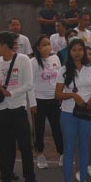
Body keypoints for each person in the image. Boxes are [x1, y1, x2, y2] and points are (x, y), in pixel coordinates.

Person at [0, 32, 42, 182]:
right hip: (0, 111)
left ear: (4, 45)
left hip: (18, 109)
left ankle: (30, 179)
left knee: (25, 146)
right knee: (4, 147)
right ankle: (6, 180)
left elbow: (28, 84)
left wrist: (11, 92)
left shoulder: (23, 60)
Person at [56, 38, 91, 182]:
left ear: (84, 51)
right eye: (74, 50)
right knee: (69, 148)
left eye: (80, 50)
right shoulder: (63, 70)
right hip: (68, 114)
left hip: (87, 113)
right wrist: (72, 96)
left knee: (84, 146)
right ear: (69, 52)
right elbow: (58, 94)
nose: (77, 53)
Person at [31, 35, 64, 170]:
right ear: (38, 48)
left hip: (54, 99)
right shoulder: (33, 62)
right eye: (44, 45)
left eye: (48, 44)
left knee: (58, 127)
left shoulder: (55, 58)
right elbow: (30, 83)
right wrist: (32, 102)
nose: (47, 47)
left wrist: (61, 95)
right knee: (39, 129)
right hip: (39, 100)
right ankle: (40, 154)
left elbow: (61, 77)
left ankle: (62, 153)